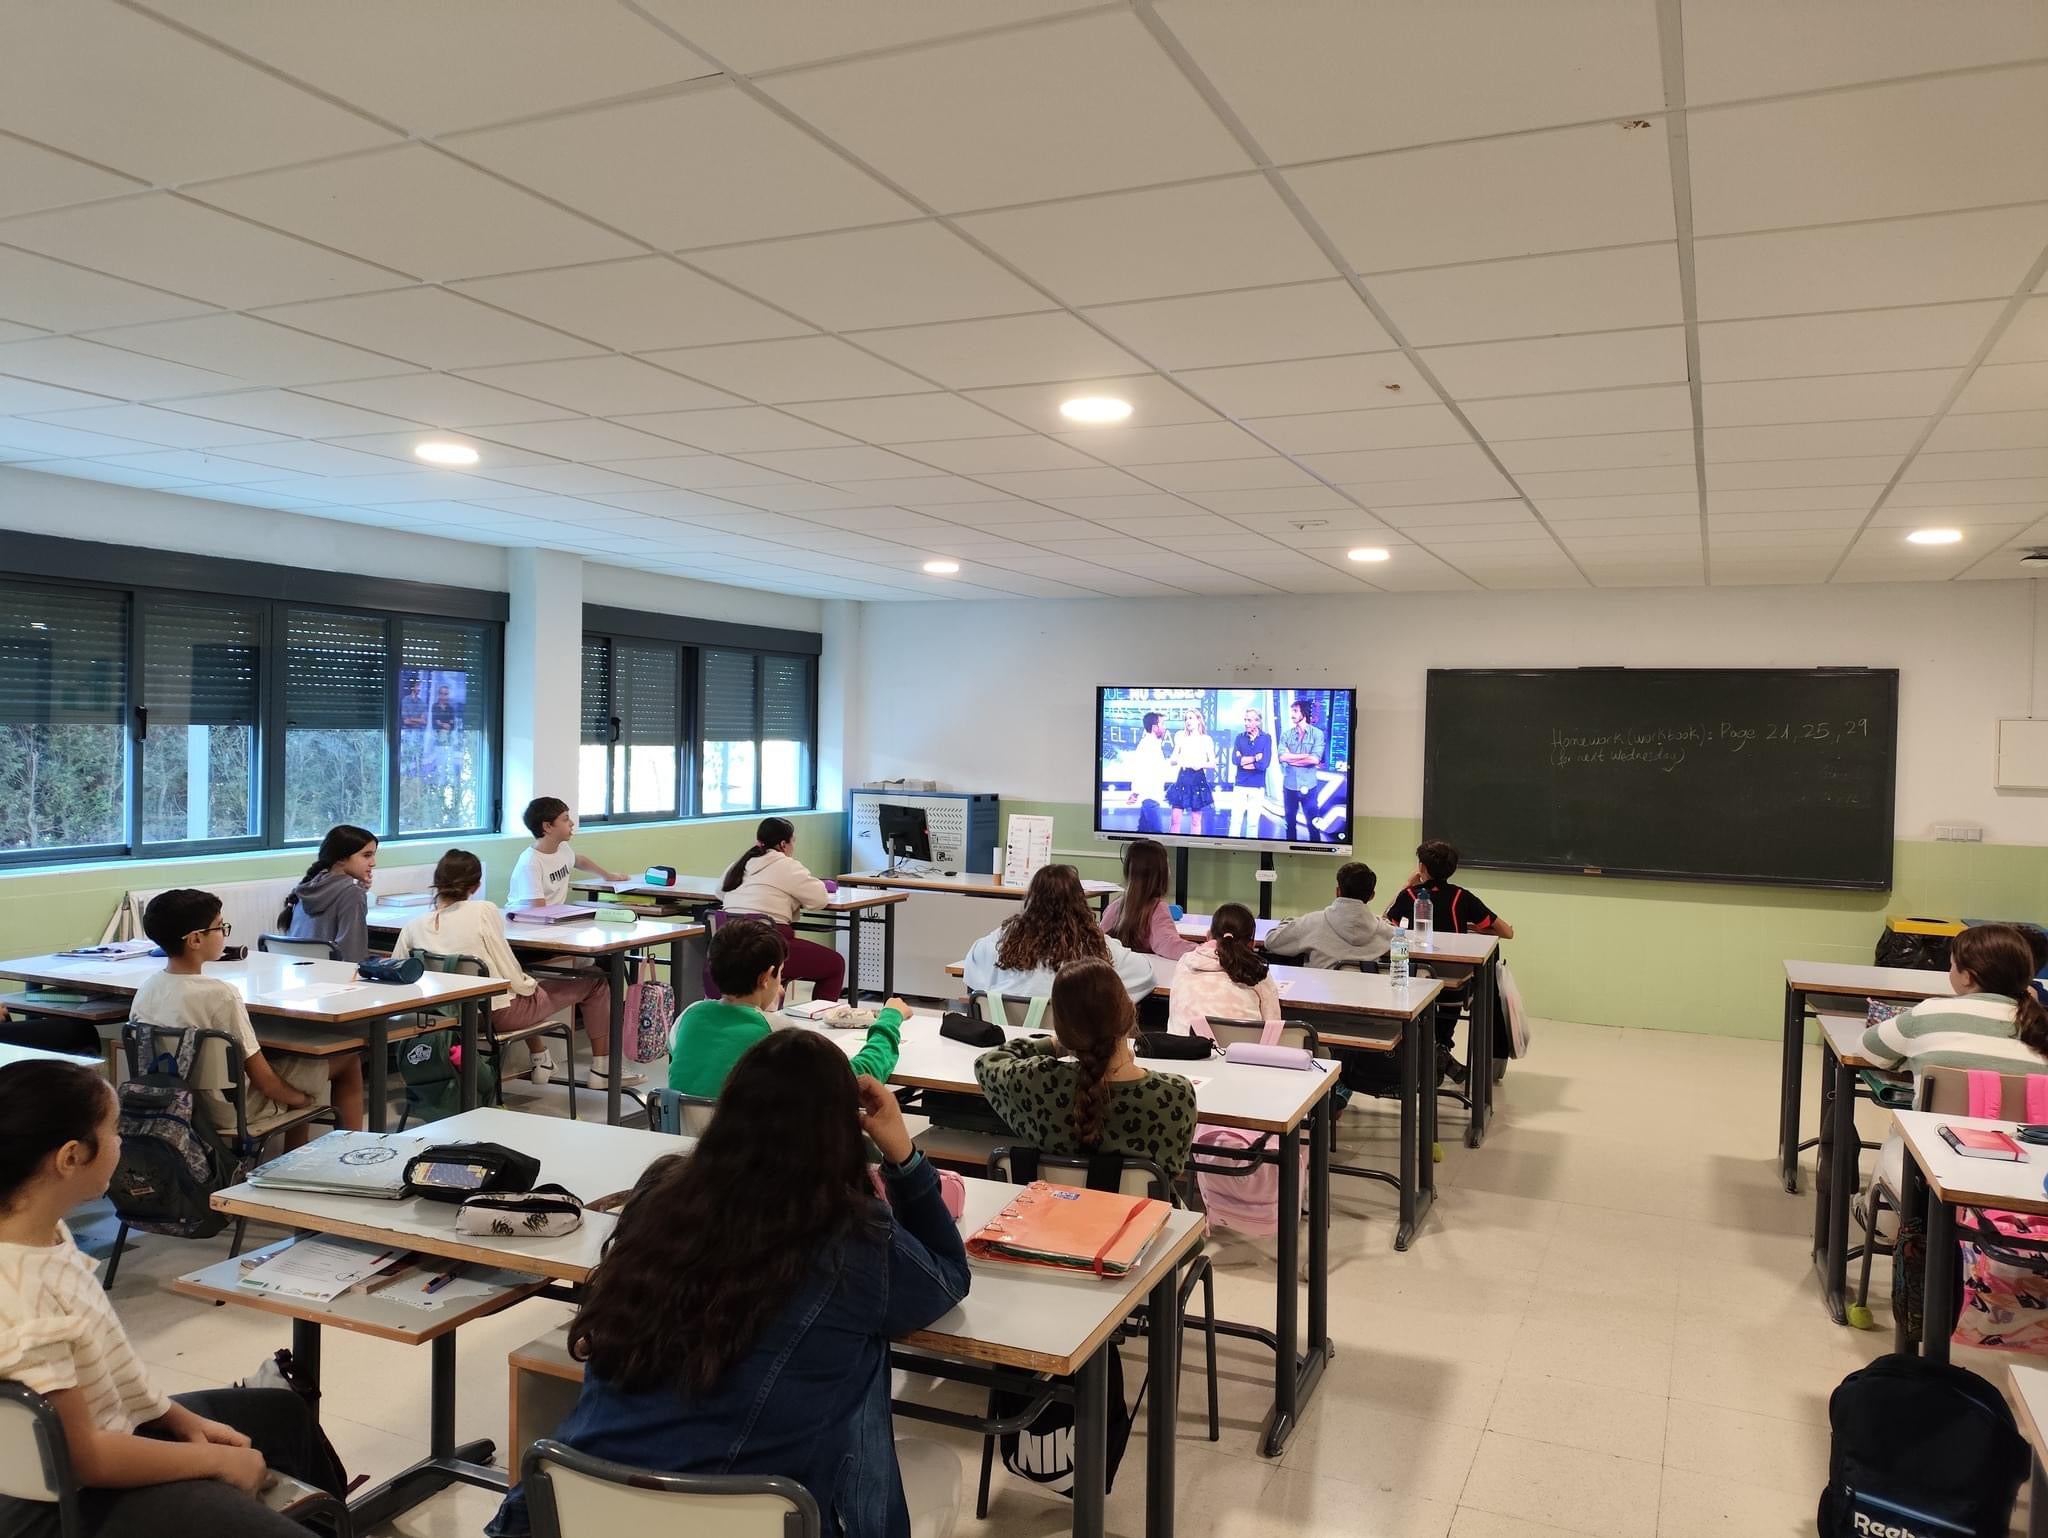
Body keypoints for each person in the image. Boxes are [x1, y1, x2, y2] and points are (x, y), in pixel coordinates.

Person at [487, 1032, 970, 1538]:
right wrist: (903, 1155)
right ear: (841, 1132)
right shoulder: (853, 1238)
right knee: (922, 1443)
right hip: (749, 1517)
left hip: (576, 1507)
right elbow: (948, 1277)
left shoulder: (660, 1197)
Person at [0, 1060, 348, 1538]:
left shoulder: (38, 1228)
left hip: (105, 1437)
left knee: (283, 1414)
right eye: (114, 1131)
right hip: (69, 1498)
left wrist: (177, 1418)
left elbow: (109, 1379)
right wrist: (214, 1461)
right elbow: (85, 1459)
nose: (122, 1143)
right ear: (70, 1158)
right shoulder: (19, 1294)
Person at [1860, 924, 2048, 1347]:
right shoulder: (2040, 1026)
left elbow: (1870, 1049)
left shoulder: (1930, 1014)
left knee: (1899, 1138)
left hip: (1936, 1177)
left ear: (1966, 976)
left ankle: (1878, 1219)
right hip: (2026, 1185)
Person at [391, 851, 638, 1087]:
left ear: (437, 882)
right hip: (494, 1017)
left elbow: (397, 972)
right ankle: (602, 1070)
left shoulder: (413, 925)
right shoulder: (483, 910)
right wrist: (530, 986)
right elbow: (508, 967)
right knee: (593, 979)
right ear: (476, 886)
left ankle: (541, 1059)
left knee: (519, 989)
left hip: (445, 1018)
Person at [133, 889, 363, 1141]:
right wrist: (301, 1100)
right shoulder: (222, 994)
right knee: (347, 1061)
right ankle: (352, 1147)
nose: (224, 934)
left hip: (173, 1104)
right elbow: (264, 1080)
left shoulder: (147, 989)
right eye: (220, 927)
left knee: (286, 1064)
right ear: (196, 939)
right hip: (229, 1111)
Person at [973, 958, 1200, 1181]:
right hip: (1140, 1207)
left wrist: (1053, 1044)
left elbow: (987, 1063)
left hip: (1051, 1205)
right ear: (1131, 1011)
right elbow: (1175, 1170)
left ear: (1063, 1032)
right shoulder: (1175, 1095)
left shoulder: (1037, 1082)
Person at [671, 918, 907, 1099]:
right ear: (766, 978)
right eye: (780, 975)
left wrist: (763, 1008)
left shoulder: (689, 1016)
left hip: (682, 1141)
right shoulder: (780, 1033)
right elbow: (857, 1079)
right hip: (749, 1146)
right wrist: (890, 1018)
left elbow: (715, 1057)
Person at [1386, 840, 1514, 1084]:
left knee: (1421, 1000)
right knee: (1454, 987)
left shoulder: (1409, 896)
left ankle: (1432, 1050)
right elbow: (1506, 932)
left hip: (1413, 985)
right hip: (1453, 990)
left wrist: (1406, 885)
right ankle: (1441, 1047)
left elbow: (1386, 923)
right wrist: (1471, 926)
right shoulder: (1460, 897)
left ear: (1421, 867)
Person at [961, 864, 1156, 1005]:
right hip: (1072, 1045)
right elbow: (1145, 973)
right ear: (1080, 902)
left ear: (1030, 900)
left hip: (1008, 1043)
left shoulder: (1002, 940)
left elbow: (971, 968)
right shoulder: (1097, 946)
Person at [719, 817, 846, 1006]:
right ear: (783, 844)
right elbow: (819, 899)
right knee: (834, 964)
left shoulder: (739, 864)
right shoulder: (787, 865)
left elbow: (720, 892)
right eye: (793, 841)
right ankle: (819, 1017)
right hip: (768, 946)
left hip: (731, 946)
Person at [1168, 904, 1282, 1040]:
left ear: (1208, 936)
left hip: (1180, 1049)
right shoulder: (1257, 972)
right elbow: (1273, 1030)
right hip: (1240, 1051)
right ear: (1252, 944)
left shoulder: (1185, 962)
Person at [1265, 861, 1395, 969]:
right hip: (1367, 992)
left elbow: (1272, 942)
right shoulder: (1386, 931)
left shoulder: (1311, 922)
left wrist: (1287, 921)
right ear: (1372, 896)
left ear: (1338, 891)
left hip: (1317, 991)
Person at [276, 824, 375, 963]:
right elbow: (352, 956)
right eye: (366, 855)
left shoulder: (306, 889)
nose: (373, 863)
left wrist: (359, 890)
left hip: (302, 972)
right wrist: (357, 893)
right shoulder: (353, 895)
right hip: (335, 975)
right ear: (341, 858)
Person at [508, 797, 623, 910]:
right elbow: (537, 910)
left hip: (553, 915)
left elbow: (579, 861)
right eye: (565, 819)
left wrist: (608, 875)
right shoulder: (530, 863)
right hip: (528, 919)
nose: (572, 823)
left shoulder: (562, 847)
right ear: (547, 826)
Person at [1099, 840, 1194, 962]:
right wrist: (1204, 950)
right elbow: (1168, 945)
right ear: (1161, 873)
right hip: (1148, 969)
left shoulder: (1114, 906)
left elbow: (1100, 940)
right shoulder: (1157, 909)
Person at [1277, 699, 1326, 843]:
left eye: (1295, 711)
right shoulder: (1286, 735)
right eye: (1292, 711)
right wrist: (1305, 756)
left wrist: (1291, 758)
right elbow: (1282, 757)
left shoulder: (1317, 734)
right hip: (1289, 786)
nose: (1292, 714)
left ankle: (1316, 852)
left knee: (1313, 825)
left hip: (1309, 787)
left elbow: (1315, 759)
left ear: (1304, 713)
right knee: (1290, 825)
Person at [1164, 708, 1216, 837]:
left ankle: (1194, 844)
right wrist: (1181, 760)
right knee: (1175, 820)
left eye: (1191, 718)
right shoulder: (1181, 737)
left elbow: (1212, 763)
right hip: (1182, 777)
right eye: (1186, 719)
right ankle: (1173, 844)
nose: (1188, 721)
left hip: (1197, 778)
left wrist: (1200, 764)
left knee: (1195, 820)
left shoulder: (1206, 739)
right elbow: (1172, 760)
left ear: (1198, 720)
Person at [1226, 707, 1273, 837]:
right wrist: (1254, 758)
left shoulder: (1266, 738)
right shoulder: (1239, 738)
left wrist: (1244, 760)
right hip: (1240, 784)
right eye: (1245, 720)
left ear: (1258, 721)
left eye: (1249, 720)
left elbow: (1263, 764)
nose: (1246, 723)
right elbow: (1235, 760)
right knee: (1235, 821)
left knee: (1253, 823)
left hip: (1257, 786)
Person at [1121, 712, 1170, 835]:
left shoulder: (1152, 744)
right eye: (1162, 724)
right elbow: (1140, 770)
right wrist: (1135, 792)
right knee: (1157, 835)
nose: (1164, 728)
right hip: (1150, 796)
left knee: (1142, 834)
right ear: (1154, 727)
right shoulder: (1148, 745)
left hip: (1151, 796)